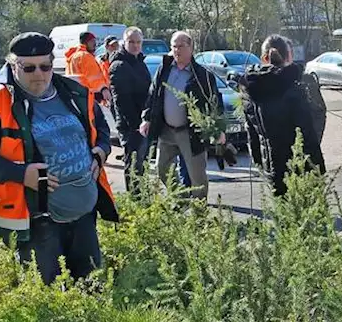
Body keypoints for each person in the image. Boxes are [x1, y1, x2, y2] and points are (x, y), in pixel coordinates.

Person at [0, 32, 118, 284]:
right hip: (37, 223)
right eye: (29, 68)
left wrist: (100, 152)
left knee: (91, 287)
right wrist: (22, 174)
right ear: (13, 65)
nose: (39, 74)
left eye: (45, 66)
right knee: (47, 294)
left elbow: (100, 128)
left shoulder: (73, 93)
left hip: (84, 216)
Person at [240, 34, 327, 196]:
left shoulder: (250, 89)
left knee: (283, 212)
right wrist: (317, 168)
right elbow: (307, 132)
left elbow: (252, 134)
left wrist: (259, 163)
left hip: (271, 164)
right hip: (301, 164)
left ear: (263, 58)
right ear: (288, 56)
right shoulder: (295, 88)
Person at [140, 31, 222, 200]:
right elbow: (153, 95)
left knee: (197, 177)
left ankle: (199, 215)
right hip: (167, 131)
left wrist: (218, 129)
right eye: (174, 46)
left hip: (190, 133)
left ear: (191, 48)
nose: (176, 50)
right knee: (161, 168)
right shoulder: (164, 69)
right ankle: (182, 198)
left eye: (181, 46)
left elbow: (214, 102)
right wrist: (147, 118)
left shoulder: (202, 75)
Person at [107, 27, 152, 193]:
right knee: (134, 165)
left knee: (142, 166)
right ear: (123, 43)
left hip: (143, 123)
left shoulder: (139, 62)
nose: (135, 45)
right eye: (131, 42)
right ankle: (136, 202)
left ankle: (142, 199)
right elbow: (121, 101)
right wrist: (135, 125)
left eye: (138, 42)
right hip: (131, 127)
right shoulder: (119, 65)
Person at [64, 32, 109, 103]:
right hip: (89, 96)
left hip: (76, 94)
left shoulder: (73, 56)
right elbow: (94, 77)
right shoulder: (86, 56)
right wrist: (103, 89)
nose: (95, 44)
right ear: (85, 42)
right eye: (92, 41)